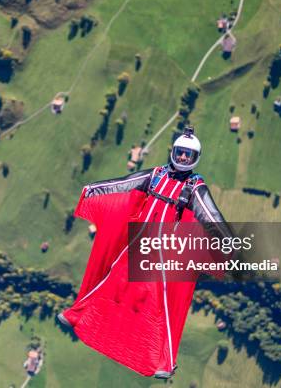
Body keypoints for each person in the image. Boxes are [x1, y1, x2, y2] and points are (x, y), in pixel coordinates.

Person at [57, 126, 233, 378]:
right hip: (137, 243)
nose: (183, 158)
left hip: (162, 253)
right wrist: (93, 190)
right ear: (173, 152)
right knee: (109, 280)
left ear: (195, 159)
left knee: (164, 304)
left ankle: (165, 362)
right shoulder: (156, 175)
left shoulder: (195, 187)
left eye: (188, 155)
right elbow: (124, 184)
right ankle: (76, 315)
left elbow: (210, 215)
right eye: (180, 152)